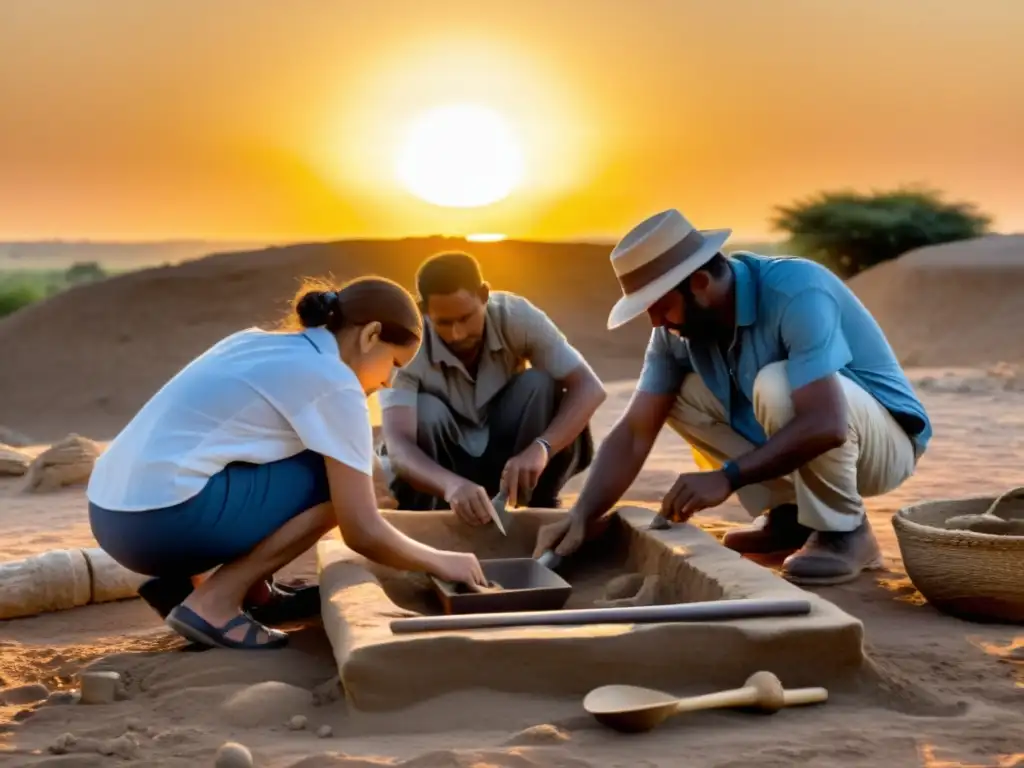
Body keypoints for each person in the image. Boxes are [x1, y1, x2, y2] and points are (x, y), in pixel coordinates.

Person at [86, 276, 487, 650]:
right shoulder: (334, 380)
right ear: (371, 335)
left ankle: (246, 591)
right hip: (159, 525)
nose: (388, 383)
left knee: (309, 455)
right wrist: (444, 561)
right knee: (335, 487)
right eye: (394, 364)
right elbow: (362, 531)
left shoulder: (254, 342)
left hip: (110, 515)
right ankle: (214, 603)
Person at [535, 209, 932, 585]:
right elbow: (636, 431)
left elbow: (826, 423)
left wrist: (729, 478)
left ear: (701, 284)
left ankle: (843, 530)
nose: (655, 322)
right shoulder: (674, 332)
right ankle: (791, 516)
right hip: (820, 435)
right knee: (675, 396)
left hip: (884, 444)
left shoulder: (796, 291)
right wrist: (584, 515)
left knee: (777, 384)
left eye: (659, 307)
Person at [379, 251, 606, 524]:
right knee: (426, 412)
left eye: (465, 317)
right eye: (444, 323)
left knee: (540, 383)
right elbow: (398, 446)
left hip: (508, 457)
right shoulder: (408, 343)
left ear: (484, 295)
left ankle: (537, 505)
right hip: (442, 476)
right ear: (424, 310)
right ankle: (430, 518)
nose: (457, 334)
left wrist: (541, 448)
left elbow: (589, 388)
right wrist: (451, 486)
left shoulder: (516, 316)